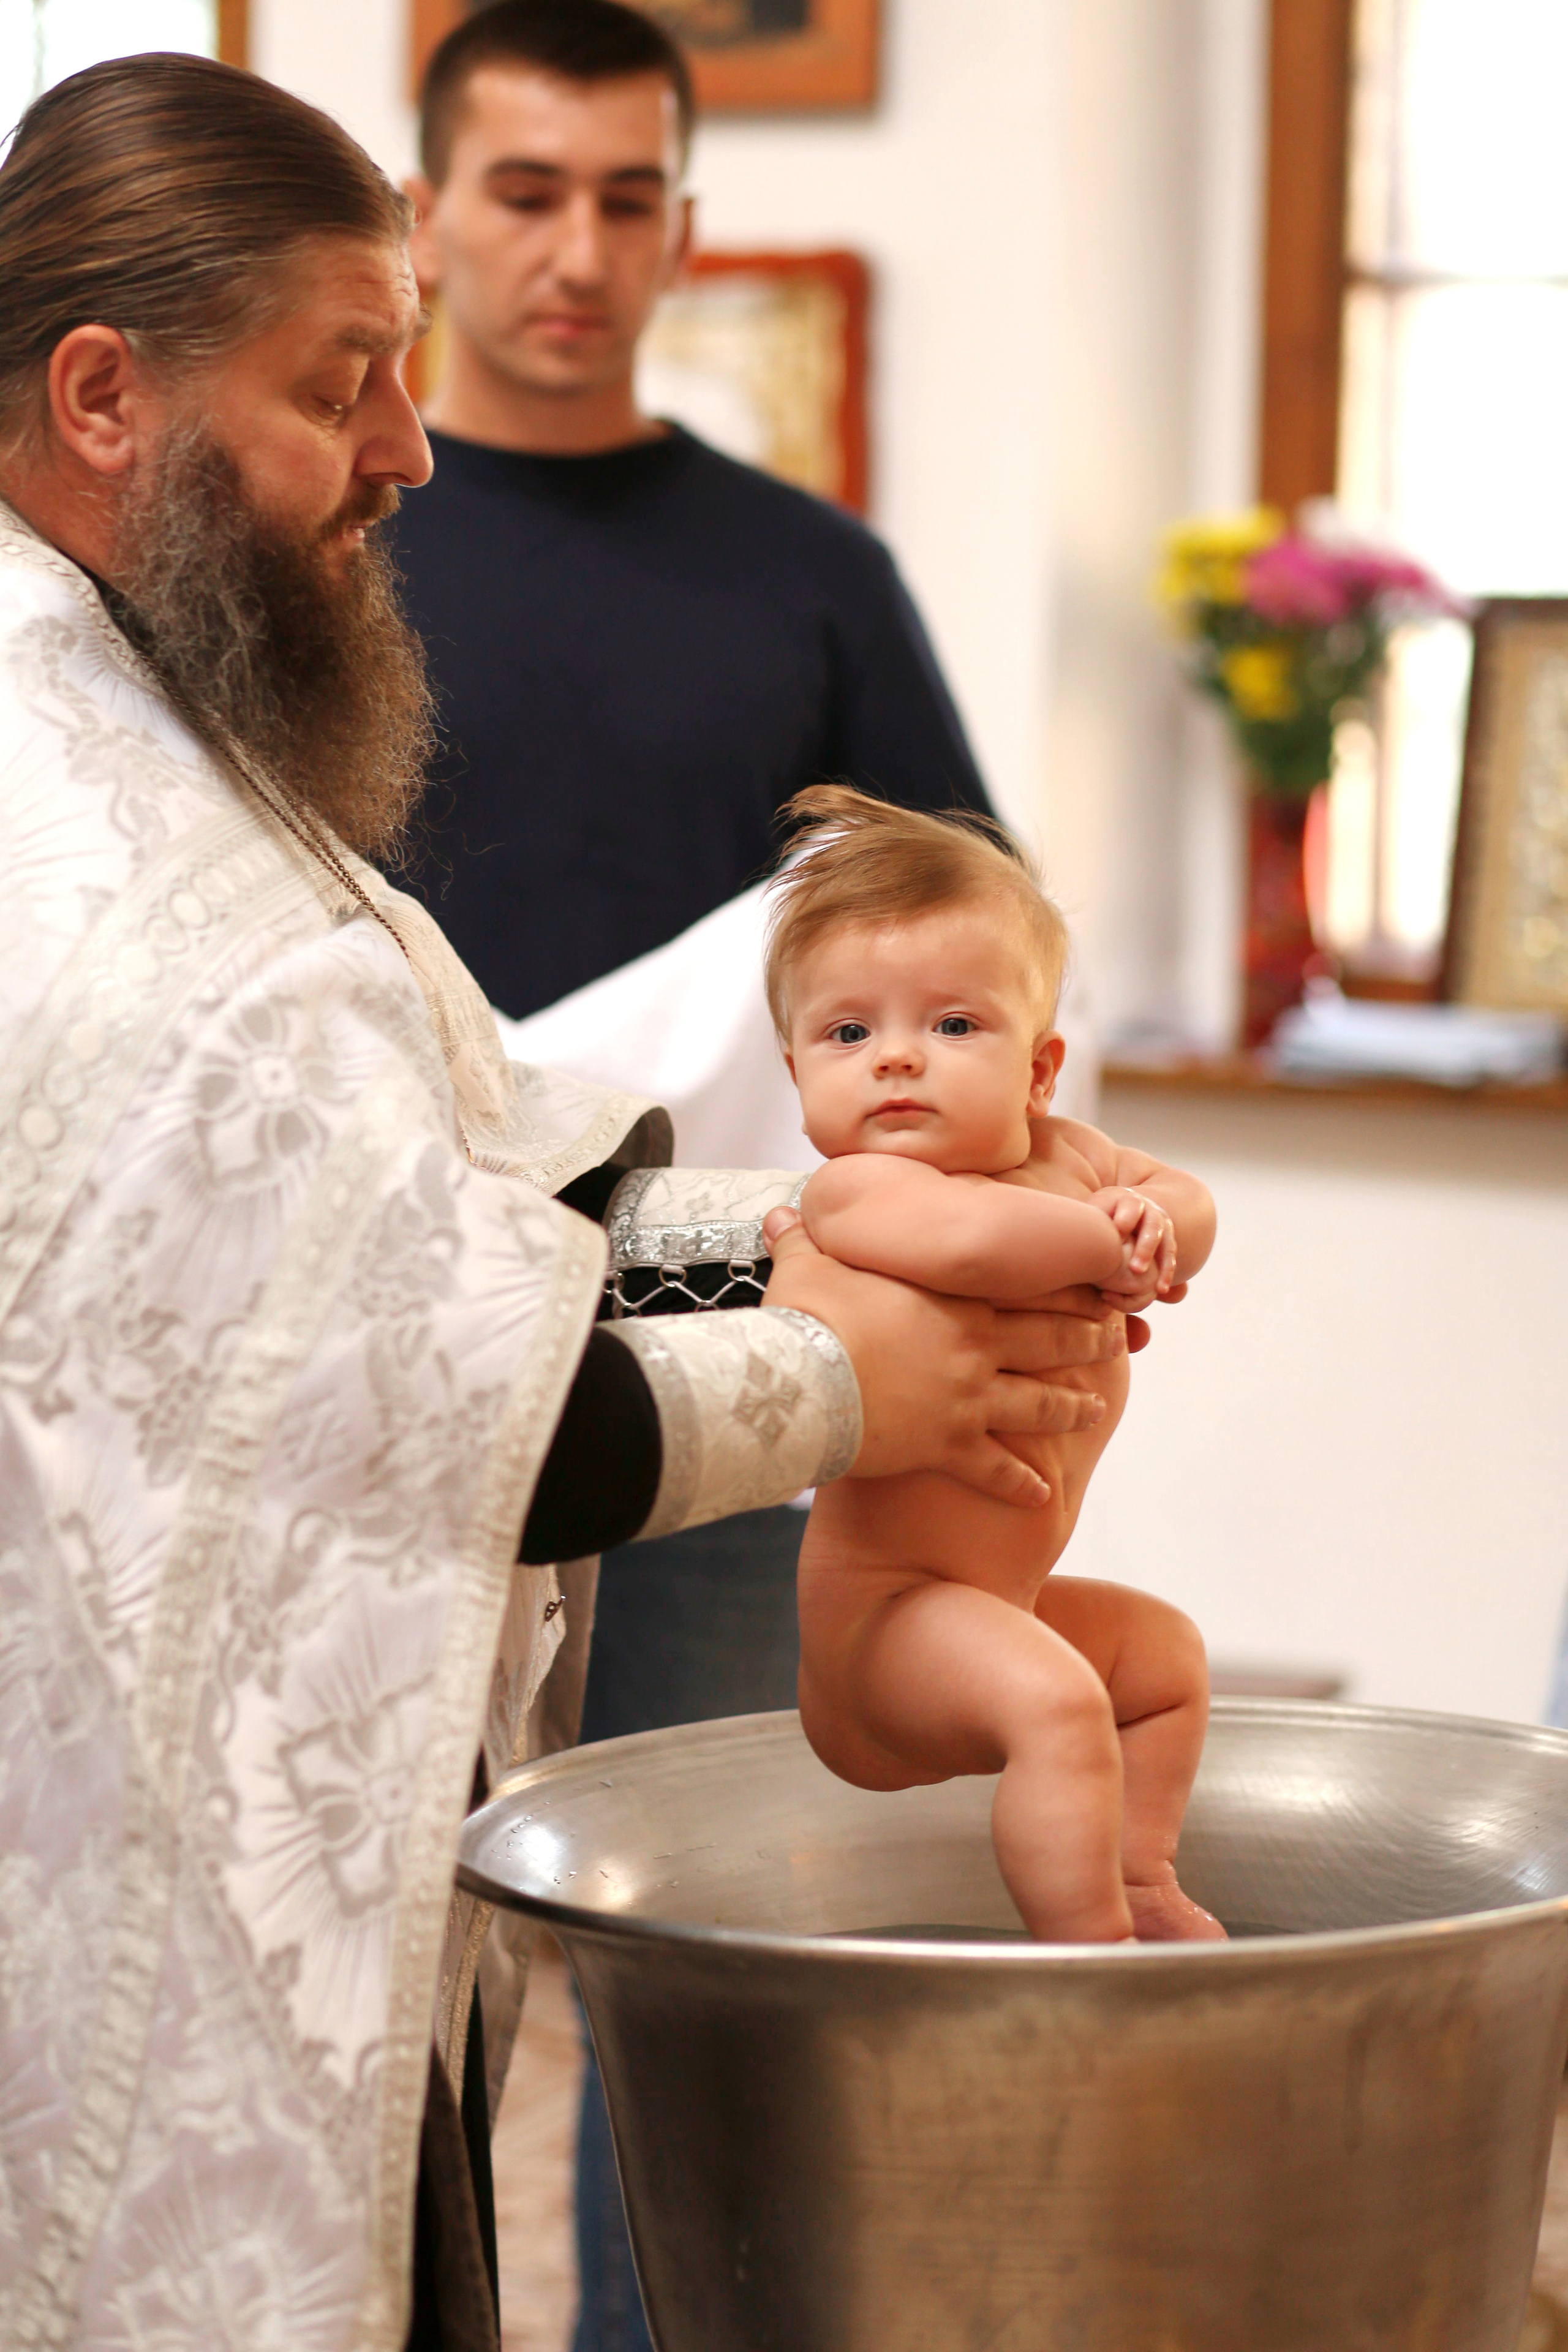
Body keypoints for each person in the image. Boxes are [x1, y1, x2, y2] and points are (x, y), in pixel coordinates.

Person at [0, 55, 1127, 2352]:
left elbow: (418, 1202)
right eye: (343, 385)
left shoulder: (114, 714)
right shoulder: (59, 834)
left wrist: (821, 1227)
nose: (409, 452)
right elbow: (386, 1394)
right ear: (106, 395)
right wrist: (844, 1363)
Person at [396, 12, 1002, 2331]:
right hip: (403, 1342)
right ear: (428, 206)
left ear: (687, 222)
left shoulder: (808, 573)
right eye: (525, 192)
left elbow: (968, 925)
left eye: (627, 198)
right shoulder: (332, 536)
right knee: (375, 1956)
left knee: (715, 1947)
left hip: (737, 1344)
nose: (577, 250)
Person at [769, 788, 1222, 1943]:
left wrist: (1159, 1225)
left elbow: (1192, 1203)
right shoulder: (855, 1193)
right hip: (888, 1631)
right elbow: (970, 1246)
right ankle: (1089, 1965)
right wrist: (1109, 1250)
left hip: (996, 1603)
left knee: (1164, 1659)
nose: (897, 1061)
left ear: (1039, 1068)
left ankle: (1139, 1881)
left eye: (954, 1026)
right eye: (848, 1033)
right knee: (1059, 1701)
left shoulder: (1076, 1158)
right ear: (798, 1073)